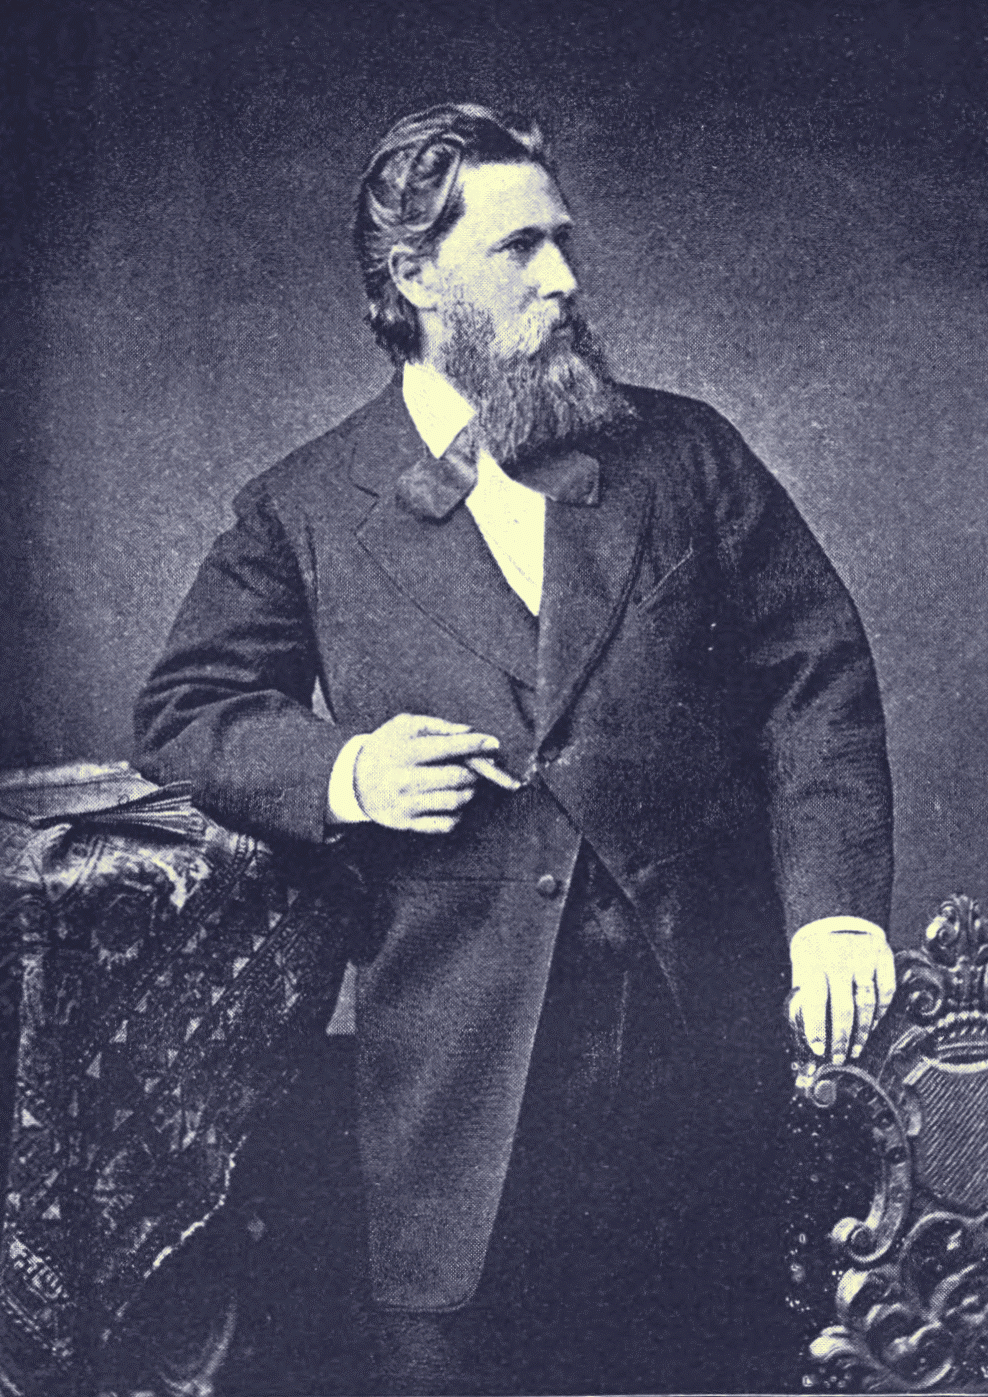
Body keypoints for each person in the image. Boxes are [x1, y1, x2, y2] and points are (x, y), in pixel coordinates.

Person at [133, 102, 896, 1395]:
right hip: (460, 1087)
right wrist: (344, 772)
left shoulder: (684, 454)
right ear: (415, 274)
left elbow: (814, 679)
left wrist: (833, 913)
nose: (565, 277)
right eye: (519, 247)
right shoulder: (304, 504)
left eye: (563, 240)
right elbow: (187, 711)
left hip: (699, 1059)